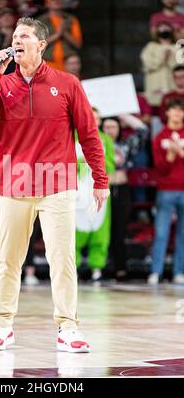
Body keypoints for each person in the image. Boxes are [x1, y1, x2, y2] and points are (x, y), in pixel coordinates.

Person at [0, 17, 109, 352]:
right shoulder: (0, 83)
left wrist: (100, 180)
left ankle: (68, 328)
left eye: (25, 36)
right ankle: (2, 324)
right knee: (9, 259)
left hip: (57, 183)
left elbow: (89, 134)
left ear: (41, 45)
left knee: (62, 258)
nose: (17, 41)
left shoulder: (67, 83)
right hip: (15, 183)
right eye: (14, 36)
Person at [102, 115, 148, 281]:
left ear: (120, 128)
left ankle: (119, 268)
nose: (110, 130)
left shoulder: (125, 145)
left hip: (121, 189)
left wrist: (122, 115)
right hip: (101, 189)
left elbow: (143, 131)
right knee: (99, 229)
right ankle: (97, 268)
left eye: (113, 127)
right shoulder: (95, 143)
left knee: (119, 230)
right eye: (106, 127)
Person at [75, 107, 115, 282]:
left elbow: (111, 165)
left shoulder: (105, 140)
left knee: (100, 228)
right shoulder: (72, 137)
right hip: (77, 190)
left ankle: (97, 267)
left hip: (98, 190)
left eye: (97, 118)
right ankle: (72, 266)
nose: (94, 121)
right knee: (75, 228)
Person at [148, 98, 184, 285]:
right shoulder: (160, 137)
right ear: (168, 113)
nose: (178, 114)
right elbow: (159, 168)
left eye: (181, 110)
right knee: (161, 233)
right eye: (174, 110)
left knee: (182, 234)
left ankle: (179, 272)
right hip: (166, 190)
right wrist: (170, 155)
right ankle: (156, 271)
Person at [37, 0, 83, 71]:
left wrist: (64, 33)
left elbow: (78, 44)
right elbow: (36, 45)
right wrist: (58, 34)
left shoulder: (71, 19)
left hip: (69, 64)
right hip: (48, 63)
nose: (57, 1)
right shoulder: (40, 21)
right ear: (47, 4)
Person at [140, 21, 177, 106]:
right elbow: (147, 63)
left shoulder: (176, 47)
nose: (164, 31)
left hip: (172, 86)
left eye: (166, 28)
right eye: (161, 28)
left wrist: (170, 58)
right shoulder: (151, 46)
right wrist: (162, 58)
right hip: (154, 87)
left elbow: (179, 67)